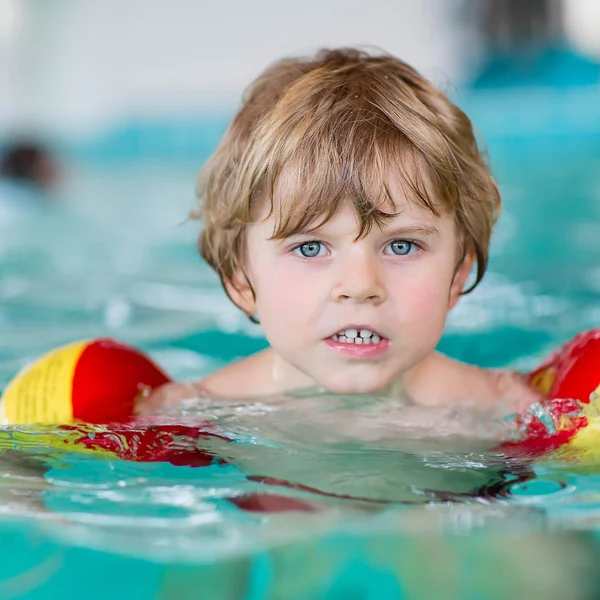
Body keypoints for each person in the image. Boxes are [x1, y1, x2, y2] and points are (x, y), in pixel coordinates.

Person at [142, 47, 542, 414]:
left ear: (458, 274)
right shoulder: (198, 412)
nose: (360, 284)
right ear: (241, 280)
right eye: (311, 248)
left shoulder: (506, 408)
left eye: (401, 246)